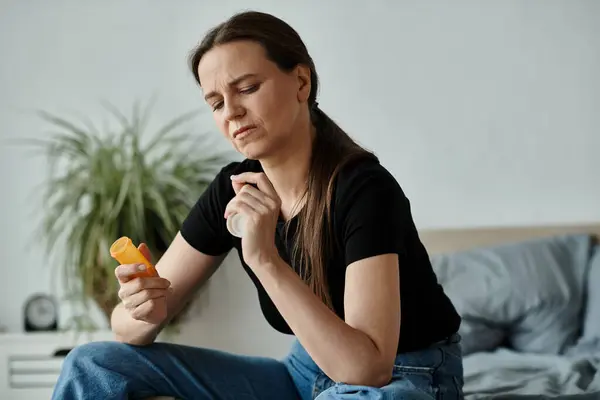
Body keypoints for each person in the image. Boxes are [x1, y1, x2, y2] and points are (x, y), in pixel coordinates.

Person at [52, 10, 464, 400]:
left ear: (301, 82)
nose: (232, 112)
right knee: (93, 365)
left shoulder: (365, 190)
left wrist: (265, 258)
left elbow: (367, 371)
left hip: (403, 373)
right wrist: (145, 312)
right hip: (304, 372)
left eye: (247, 88)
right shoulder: (232, 188)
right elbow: (126, 330)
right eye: (215, 103)